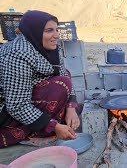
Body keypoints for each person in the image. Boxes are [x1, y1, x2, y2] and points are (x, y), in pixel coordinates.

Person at [0, 10, 80, 148]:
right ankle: (32, 133)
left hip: (28, 92)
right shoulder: (18, 54)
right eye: (49, 30)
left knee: (65, 75)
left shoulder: (51, 46)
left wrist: (71, 108)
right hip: (7, 111)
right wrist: (54, 126)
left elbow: (63, 72)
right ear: (34, 32)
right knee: (61, 85)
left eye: (56, 29)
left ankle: (49, 123)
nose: (56, 35)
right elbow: (17, 106)